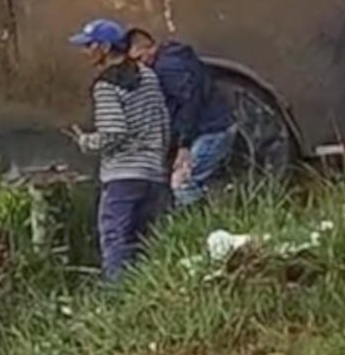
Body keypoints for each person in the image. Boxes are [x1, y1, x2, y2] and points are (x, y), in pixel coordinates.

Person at [68, 18, 171, 281]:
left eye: (89, 45)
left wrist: (86, 142)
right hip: (154, 174)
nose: (84, 52)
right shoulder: (148, 75)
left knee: (115, 239)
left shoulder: (106, 86)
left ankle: (117, 299)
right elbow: (163, 120)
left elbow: (114, 132)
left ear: (104, 47)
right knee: (149, 241)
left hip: (122, 177)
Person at [126, 28, 234, 207]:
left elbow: (189, 104)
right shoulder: (175, 58)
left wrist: (183, 145)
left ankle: (201, 226)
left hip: (211, 130)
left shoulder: (167, 67)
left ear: (149, 48)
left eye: (139, 58)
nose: (140, 65)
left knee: (182, 182)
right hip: (214, 126)